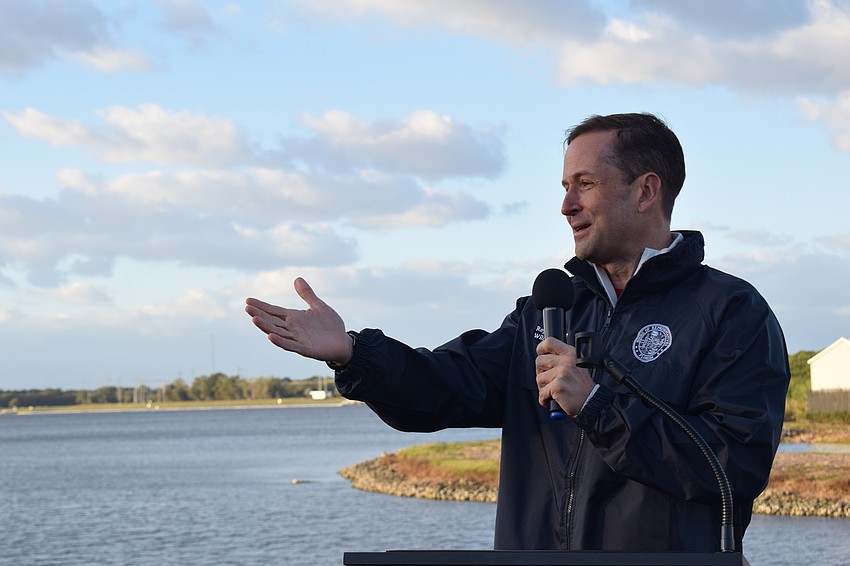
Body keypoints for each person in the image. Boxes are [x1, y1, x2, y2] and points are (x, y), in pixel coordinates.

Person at [245, 113, 790, 552]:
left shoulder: (730, 312)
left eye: (585, 184)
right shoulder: (548, 309)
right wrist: (353, 353)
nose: (566, 204)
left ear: (646, 191)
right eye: (564, 186)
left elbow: (732, 468)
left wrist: (599, 406)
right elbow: (443, 387)